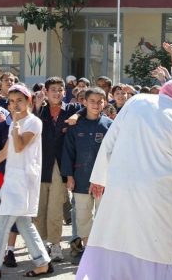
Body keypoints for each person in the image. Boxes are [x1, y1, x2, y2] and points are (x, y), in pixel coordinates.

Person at [74, 78, 172, 279]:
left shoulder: (136, 101)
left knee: (117, 235)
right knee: (154, 244)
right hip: (158, 193)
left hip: (121, 184)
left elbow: (110, 140)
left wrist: (99, 178)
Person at [0, 84, 52, 279]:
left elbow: (20, 145)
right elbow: (5, 151)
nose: (15, 105)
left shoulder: (33, 122)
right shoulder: (15, 123)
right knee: (24, 223)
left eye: (19, 100)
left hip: (24, 181)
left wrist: (15, 125)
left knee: (1, 223)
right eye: (12, 101)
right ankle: (43, 263)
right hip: (13, 179)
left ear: (28, 101)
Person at [61, 87, 112, 262]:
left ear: (105, 103)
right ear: (84, 102)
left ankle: (101, 249)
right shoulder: (75, 126)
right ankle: (88, 248)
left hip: (104, 180)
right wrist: (69, 176)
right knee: (82, 214)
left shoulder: (109, 125)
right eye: (92, 101)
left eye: (100, 101)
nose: (96, 105)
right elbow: (68, 151)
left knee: (103, 214)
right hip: (80, 177)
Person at [35, 76, 80, 262]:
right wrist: (37, 106)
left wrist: (77, 116)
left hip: (61, 164)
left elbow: (87, 110)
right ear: (45, 91)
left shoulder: (72, 109)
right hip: (39, 164)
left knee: (55, 207)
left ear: (64, 92)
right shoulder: (39, 110)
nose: (56, 93)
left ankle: (55, 244)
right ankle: (40, 244)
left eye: (60, 90)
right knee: (39, 208)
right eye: (52, 89)